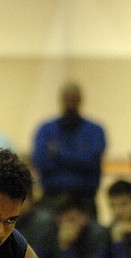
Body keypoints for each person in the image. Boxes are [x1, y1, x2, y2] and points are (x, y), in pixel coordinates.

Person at [31, 81, 106, 220]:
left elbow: (91, 163)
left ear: (81, 100)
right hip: (51, 200)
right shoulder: (45, 130)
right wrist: (78, 159)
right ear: (61, 100)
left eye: (74, 98)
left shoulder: (95, 130)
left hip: (85, 201)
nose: (70, 103)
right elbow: (41, 162)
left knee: (97, 234)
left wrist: (58, 154)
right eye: (67, 98)